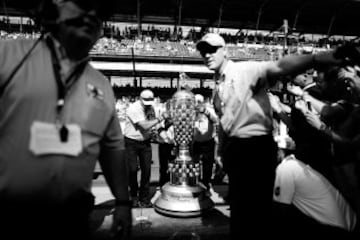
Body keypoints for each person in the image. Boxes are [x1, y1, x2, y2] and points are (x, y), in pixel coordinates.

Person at [195, 32, 355, 239]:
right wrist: (221, 149)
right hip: (235, 148)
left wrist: (317, 58)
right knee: (241, 210)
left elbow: (279, 66)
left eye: (212, 50)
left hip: (254, 148)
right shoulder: (218, 85)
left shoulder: (243, 70)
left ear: (225, 51)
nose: (207, 55)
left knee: (256, 213)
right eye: (203, 51)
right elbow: (224, 120)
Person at [0, 1, 131, 240]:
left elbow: (112, 148)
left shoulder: (102, 84)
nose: (92, 13)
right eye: (82, 4)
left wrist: (123, 202)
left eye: (99, 12)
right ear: (54, 12)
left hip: (73, 219)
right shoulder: (7, 55)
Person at [273, 154, 357, 239]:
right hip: (349, 217)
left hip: (337, 227)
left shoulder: (284, 168)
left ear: (280, 152)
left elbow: (282, 208)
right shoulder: (294, 163)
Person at [124, 89, 168, 208]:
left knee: (146, 170)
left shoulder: (150, 108)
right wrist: (160, 118)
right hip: (131, 141)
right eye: (145, 101)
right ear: (140, 99)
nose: (148, 104)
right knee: (132, 170)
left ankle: (144, 198)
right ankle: (133, 195)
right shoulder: (134, 108)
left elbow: (152, 125)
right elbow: (144, 126)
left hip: (145, 142)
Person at [193, 94, 219, 192]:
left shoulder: (209, 110)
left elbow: (216, 120)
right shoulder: (192, 111)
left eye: (199, 102)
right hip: (196, 141)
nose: (197, 104)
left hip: (208, 141)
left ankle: (206, 183)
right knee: (195, 164)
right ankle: (196, 183)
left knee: (207, 165)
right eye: (196, 102)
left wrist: (205, 112)